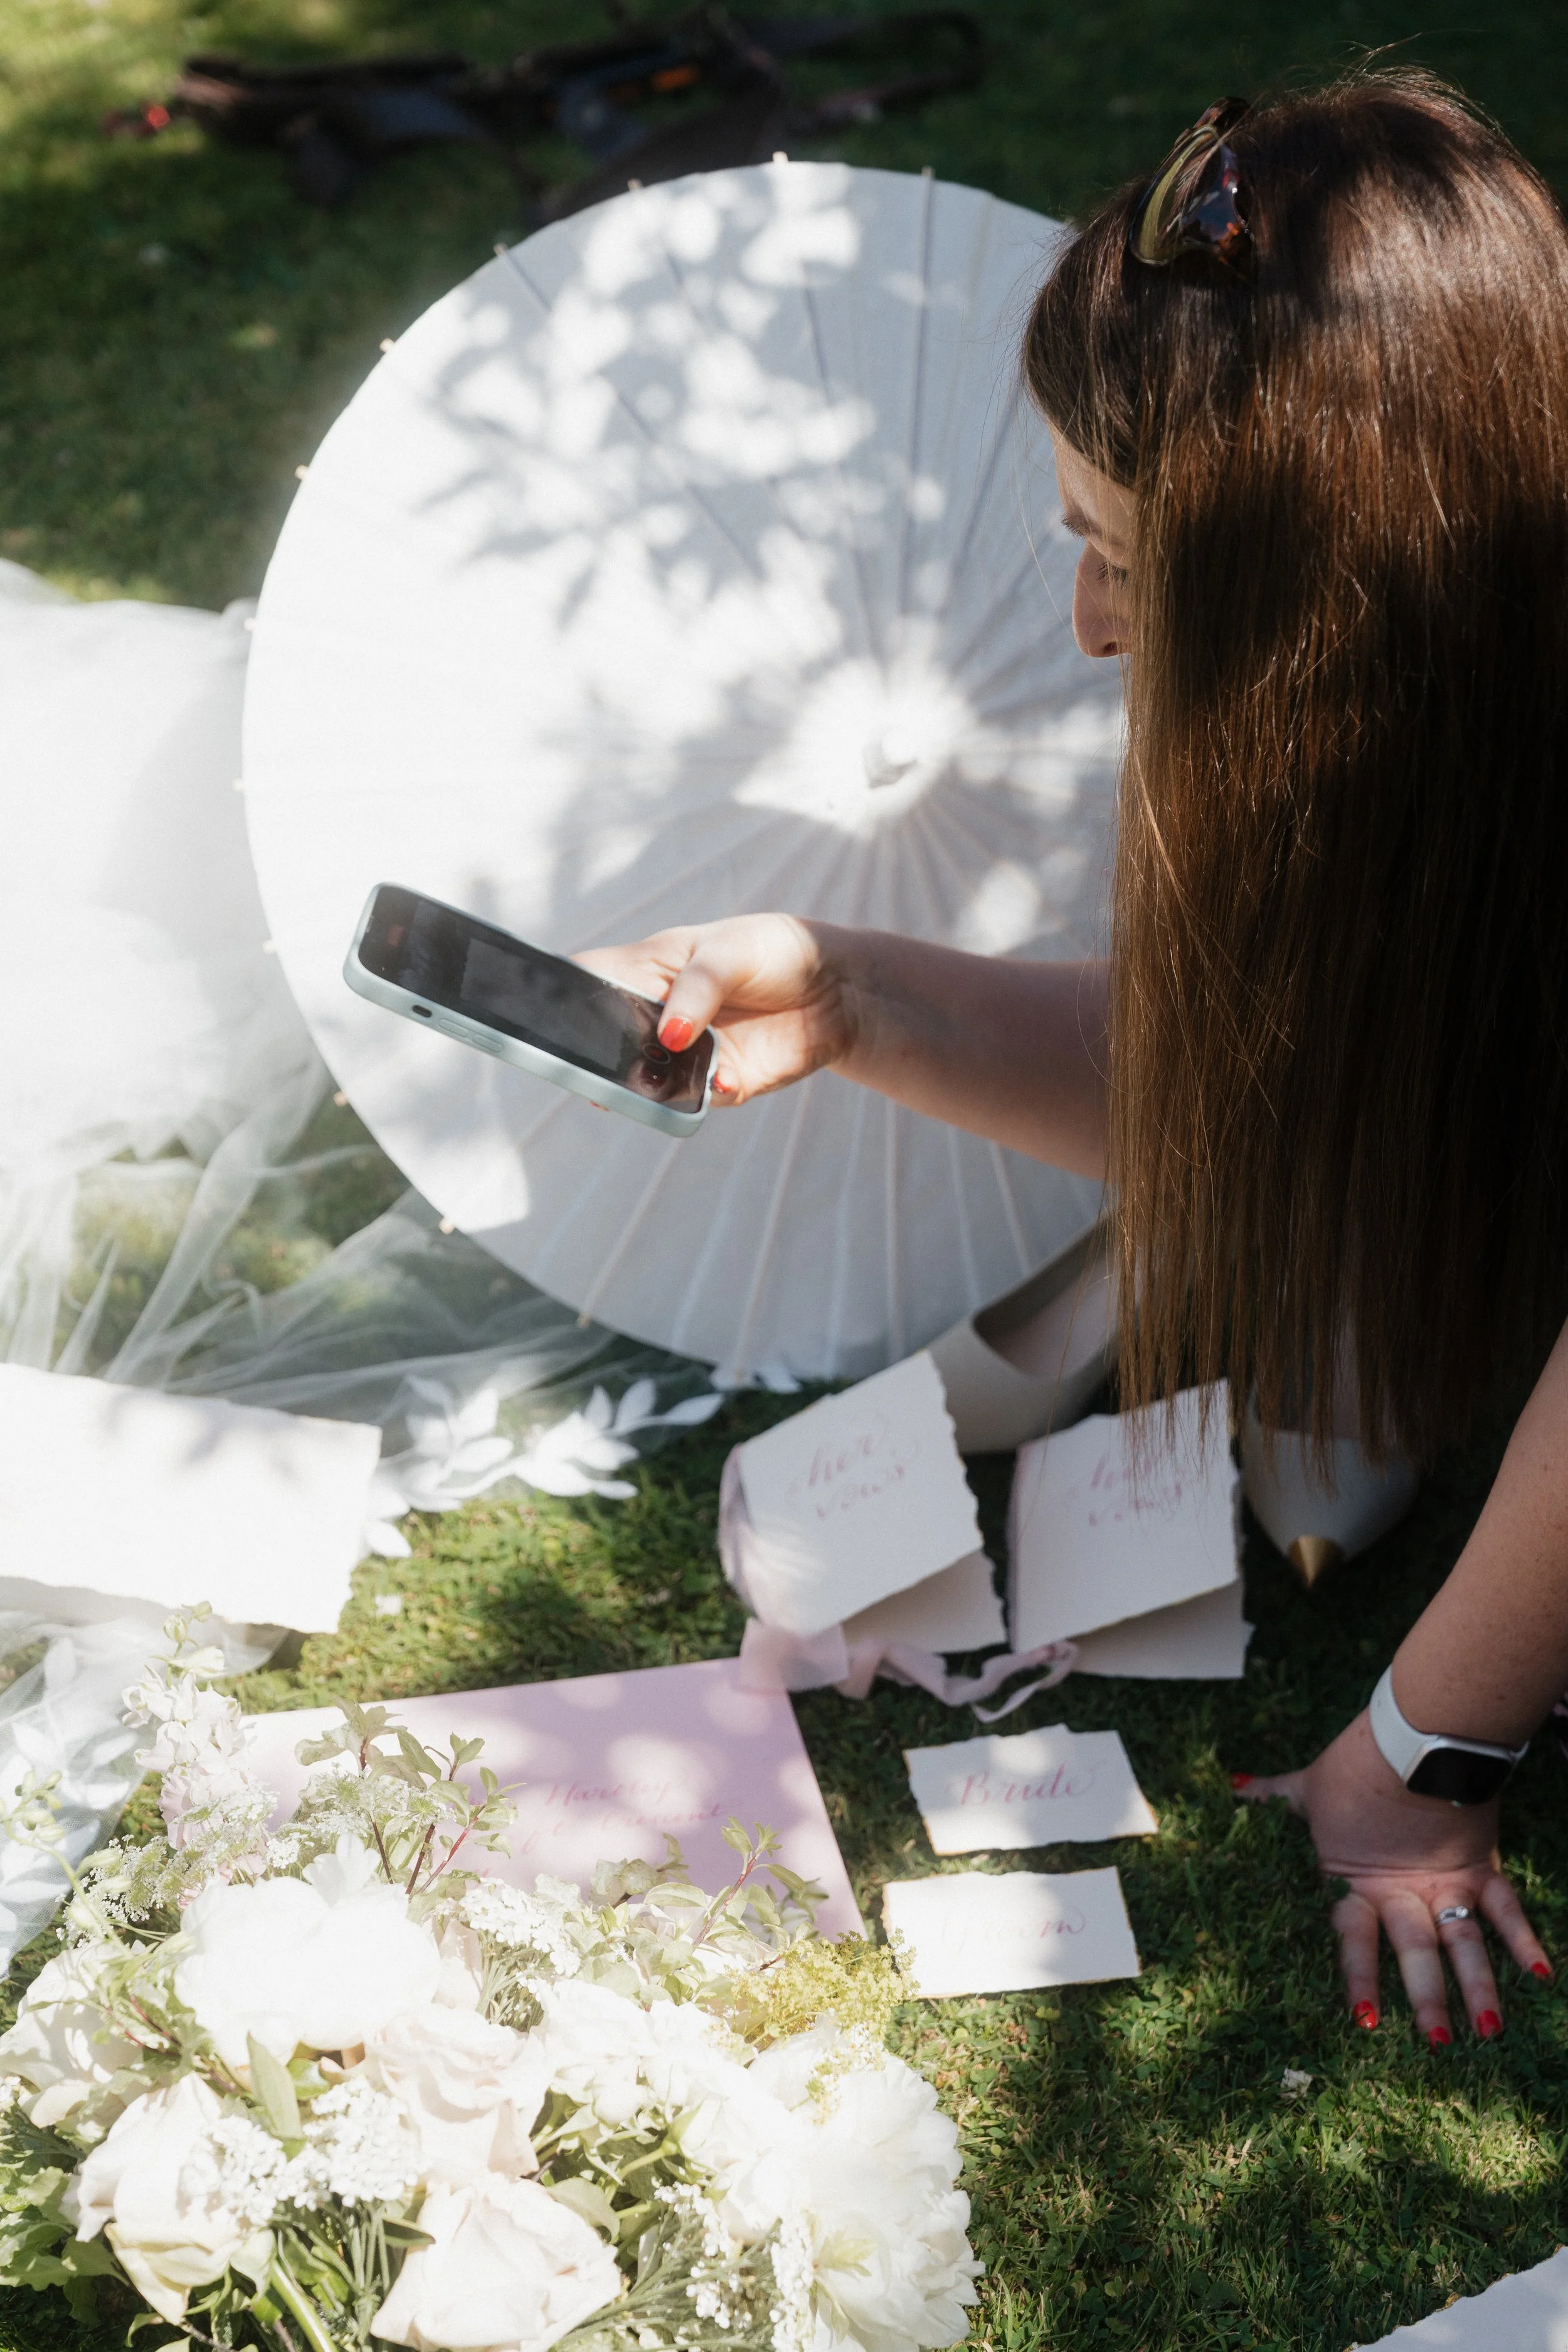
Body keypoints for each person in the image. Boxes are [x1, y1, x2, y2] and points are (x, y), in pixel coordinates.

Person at [582, 72, 1568, 2045]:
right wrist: (856, 992)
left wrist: (1417, 1758)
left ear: (1347, 585)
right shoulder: (1428, 716)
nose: (1090, 623)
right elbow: (1269, 1085)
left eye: (1133, 557)